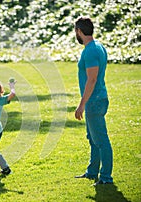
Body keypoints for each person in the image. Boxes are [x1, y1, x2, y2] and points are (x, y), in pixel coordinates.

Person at [73, 17, 113, 186]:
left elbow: (92, 79)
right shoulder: (98, 47)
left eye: (76, 31)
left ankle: (105, 177)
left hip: (94, 100)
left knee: (101, 140)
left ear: (79, 31)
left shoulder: (90, 51)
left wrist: (82, 104)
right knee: (93, 138)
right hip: (95, 99)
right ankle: (92, 172)